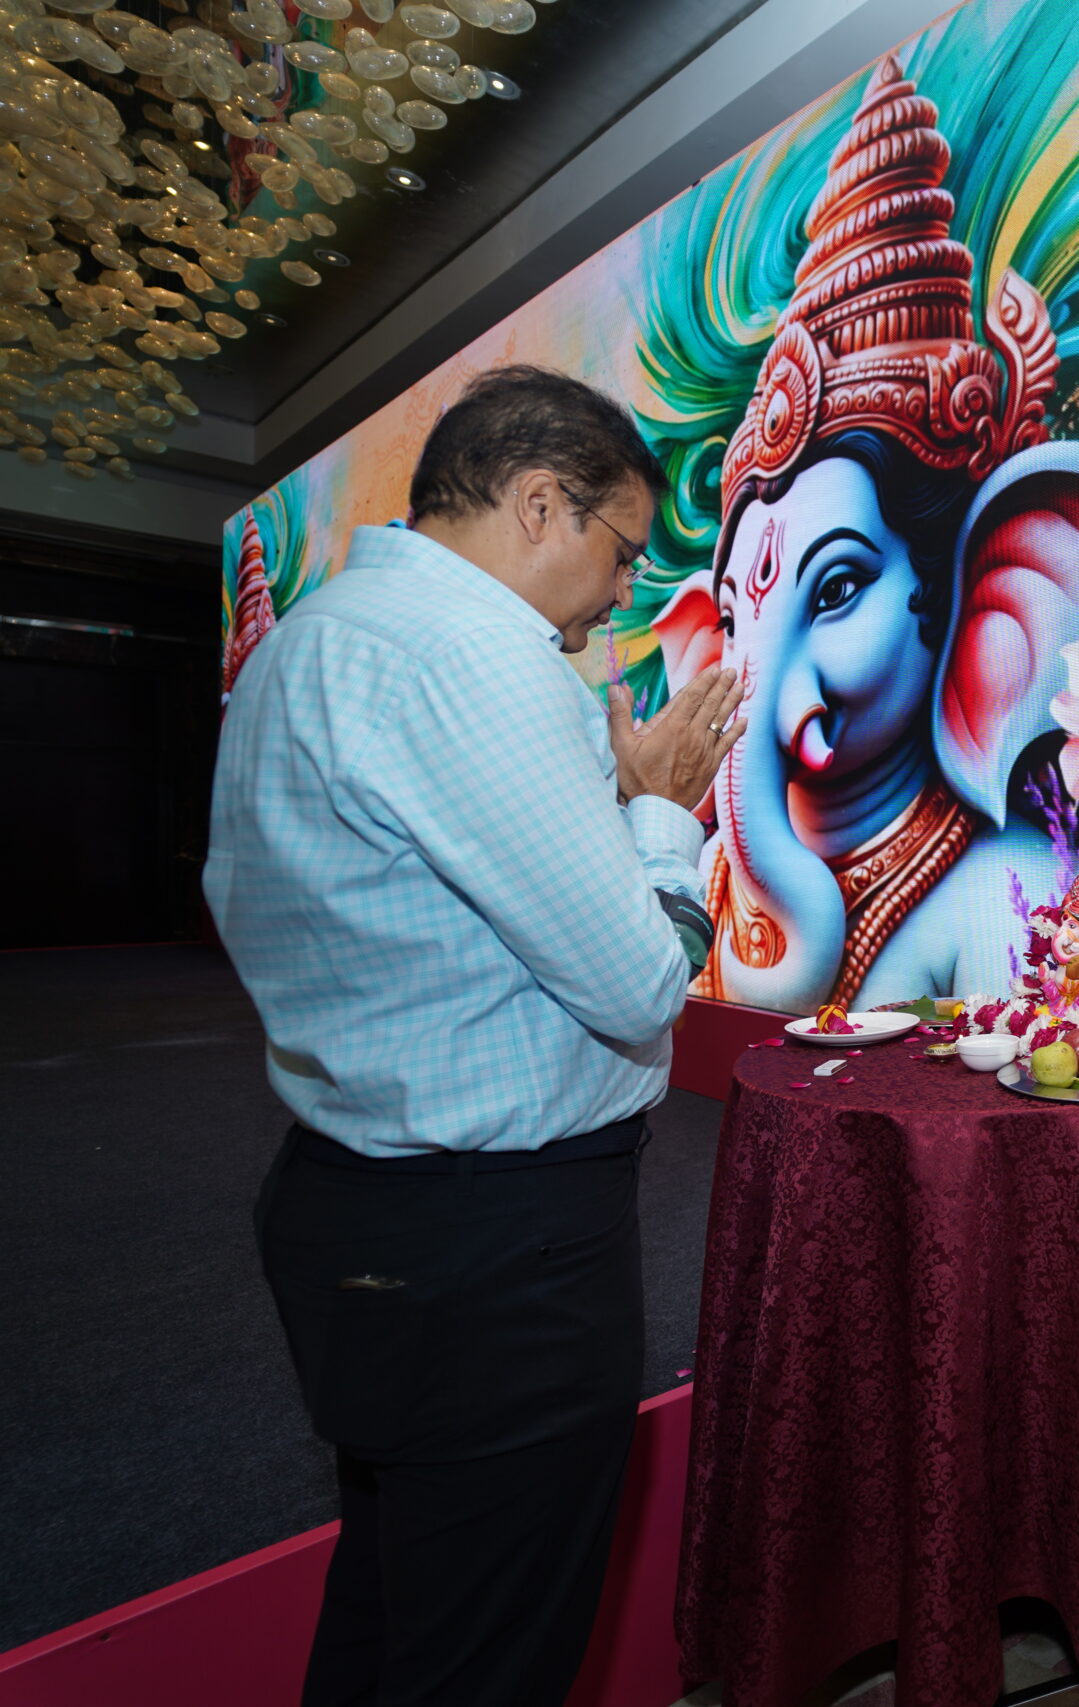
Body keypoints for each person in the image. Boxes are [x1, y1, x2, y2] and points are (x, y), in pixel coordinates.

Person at [206, 365, 745, 1707]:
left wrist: (607, 805)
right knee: (492, 1649)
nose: (623, 590)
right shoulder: (478, 658)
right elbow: (638, 984)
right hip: (494, 1258)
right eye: (621, 548)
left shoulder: (313, 640)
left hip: (355, 1202)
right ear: (540, 503)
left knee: (394, 1608)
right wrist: (660, 810)